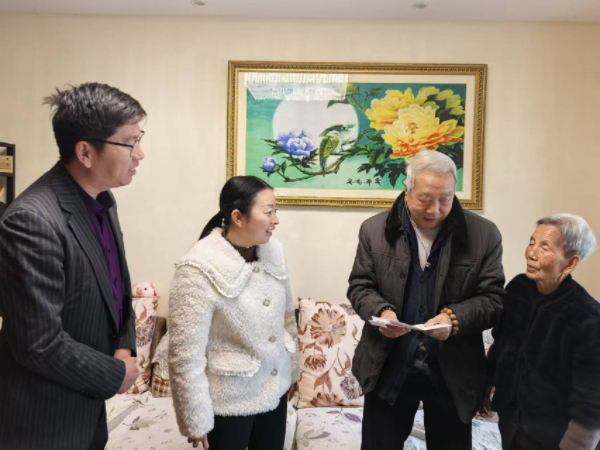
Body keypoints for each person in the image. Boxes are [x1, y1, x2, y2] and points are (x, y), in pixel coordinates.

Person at [0, 82, 145, 450]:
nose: (140, 154)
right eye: (130, 143)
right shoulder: (31, 220)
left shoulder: (102, 200)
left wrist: (125, 345)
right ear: (85, 152)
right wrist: (115, 373)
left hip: (87, 412)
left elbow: (116, 291)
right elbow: (38, 342)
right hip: (44, 422)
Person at [347, 149, 505, 449]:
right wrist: (383, 312)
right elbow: (360, 286)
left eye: (446, 198)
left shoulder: (484, 234)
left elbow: (493, 299)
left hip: (453, 370)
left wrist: (453, 319)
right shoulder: (374, 230)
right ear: (406, 189)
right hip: (389, 363)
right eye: (425, 199)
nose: (435, 209)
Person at [169, 176, 300, 450]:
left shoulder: (274, 252)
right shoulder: (197, 268)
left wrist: (292, 371)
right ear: (238, 217)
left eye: (276, 211)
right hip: (229, 402)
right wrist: (195, 417)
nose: (276, 220)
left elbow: (287, 317)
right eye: (269, 212)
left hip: (274, 389)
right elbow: (185, 354)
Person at [486, 214, 600, 449]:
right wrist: (486, 386)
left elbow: (592, 400)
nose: (531, 253)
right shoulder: (518, 289)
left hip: (556, 437)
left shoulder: (588, 317)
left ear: (570, 263)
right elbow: (501, 345)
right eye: (532, 242)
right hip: (512, 424)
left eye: (545, 248)